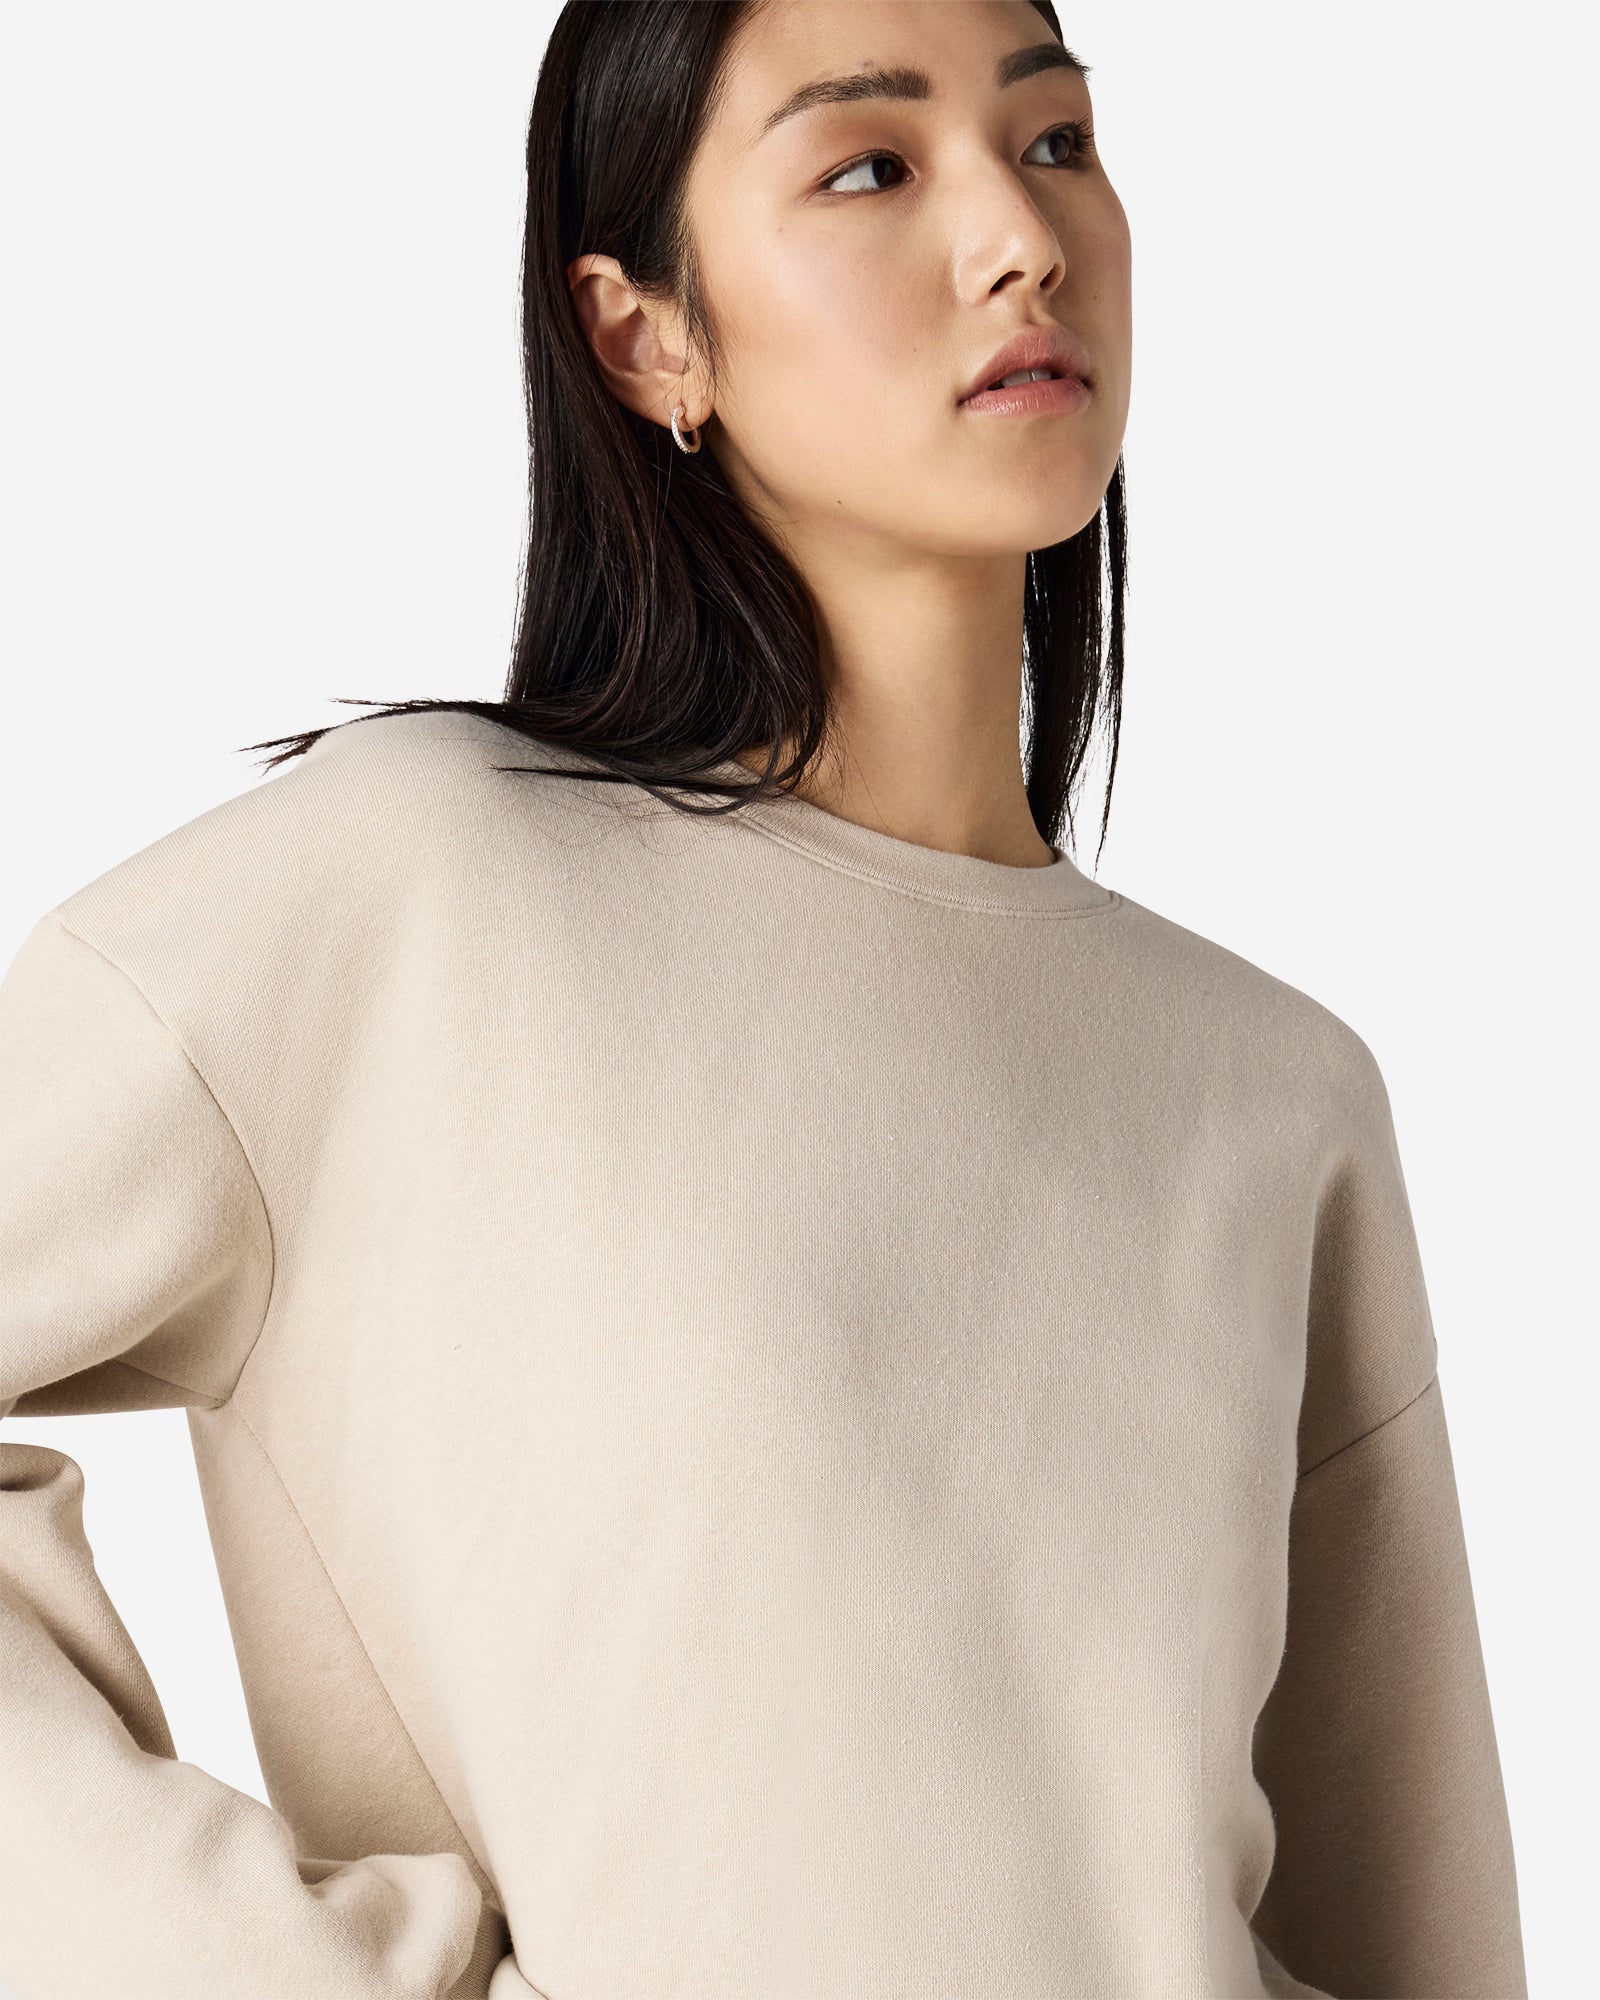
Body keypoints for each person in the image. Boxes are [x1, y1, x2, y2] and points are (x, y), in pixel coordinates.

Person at [0, 4, 1527, 1996]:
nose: (1020, 238)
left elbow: (1413, 1936)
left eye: (1056, 141)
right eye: (870, 166)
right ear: (648, 338)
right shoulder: (408, 894)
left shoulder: (1274, 1090)